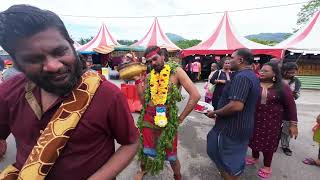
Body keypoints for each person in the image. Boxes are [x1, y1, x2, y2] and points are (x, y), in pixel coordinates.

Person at [0, 5, 138, 180]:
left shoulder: (108, 95)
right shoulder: (7, 93)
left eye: (60, 51)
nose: (54, 66)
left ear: (71, 44)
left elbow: (131, 143)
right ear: (17, 63)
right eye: (34, 59)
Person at [133, 46, 200, 180]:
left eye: (155, 59)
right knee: (144, 149)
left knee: (171, 156)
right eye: (149, 61)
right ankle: (143, 170)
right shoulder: (150, 75)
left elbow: (195, 95)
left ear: (163, 56)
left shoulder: (176, 72)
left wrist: (181, 117)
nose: (152, 63)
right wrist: (137, 81)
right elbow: (143, 100)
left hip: (167, 120)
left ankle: (177, 176)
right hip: (148, 118)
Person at [206, 48, 260, 180]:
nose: (229, 60)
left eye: (232, 57)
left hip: (231, 128)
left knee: (219, 154)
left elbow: (236, 105)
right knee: (234, 159)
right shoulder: (251, 75)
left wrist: (215, 113)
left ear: (240, 60)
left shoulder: (242, 77)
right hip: (241, 126)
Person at [246, 62, 298, 178]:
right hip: (254, 119)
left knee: (268, 144)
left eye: (265, 71)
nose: (262, 72)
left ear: (274, 73)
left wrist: (293, 124)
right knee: (253, 138)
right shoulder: (255, 83)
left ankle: (267, 166)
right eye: (261, 70)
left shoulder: (282, 87)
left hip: (272, 122)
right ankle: (254, 157)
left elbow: (291, 106)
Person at [280, 62, 301, 156]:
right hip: (277, 106)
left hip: (289, 107)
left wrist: (294, 94)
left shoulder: (297, 82)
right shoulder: (277, 79)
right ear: (284, 71)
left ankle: (285, 146)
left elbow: (297, 95)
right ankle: (272, 143)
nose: (292, 74)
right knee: (274, 126)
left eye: (293, 72)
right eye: (289, 72)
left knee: (287, 128)